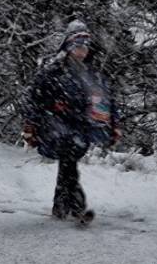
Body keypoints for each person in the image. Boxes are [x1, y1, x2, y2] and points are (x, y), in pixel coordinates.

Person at [20, 19, 121, 222]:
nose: (82, 50)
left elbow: (107, 101)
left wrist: (114, 125)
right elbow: (35, 98)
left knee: (68, 164)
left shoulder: (92, 74)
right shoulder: (53, 72)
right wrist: (31, 124)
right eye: (77, 45)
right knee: (68, 162)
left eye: (85, 46)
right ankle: (77, 208)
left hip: (81, 128)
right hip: (55, 126)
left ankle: (60, 207)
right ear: (68, 46)